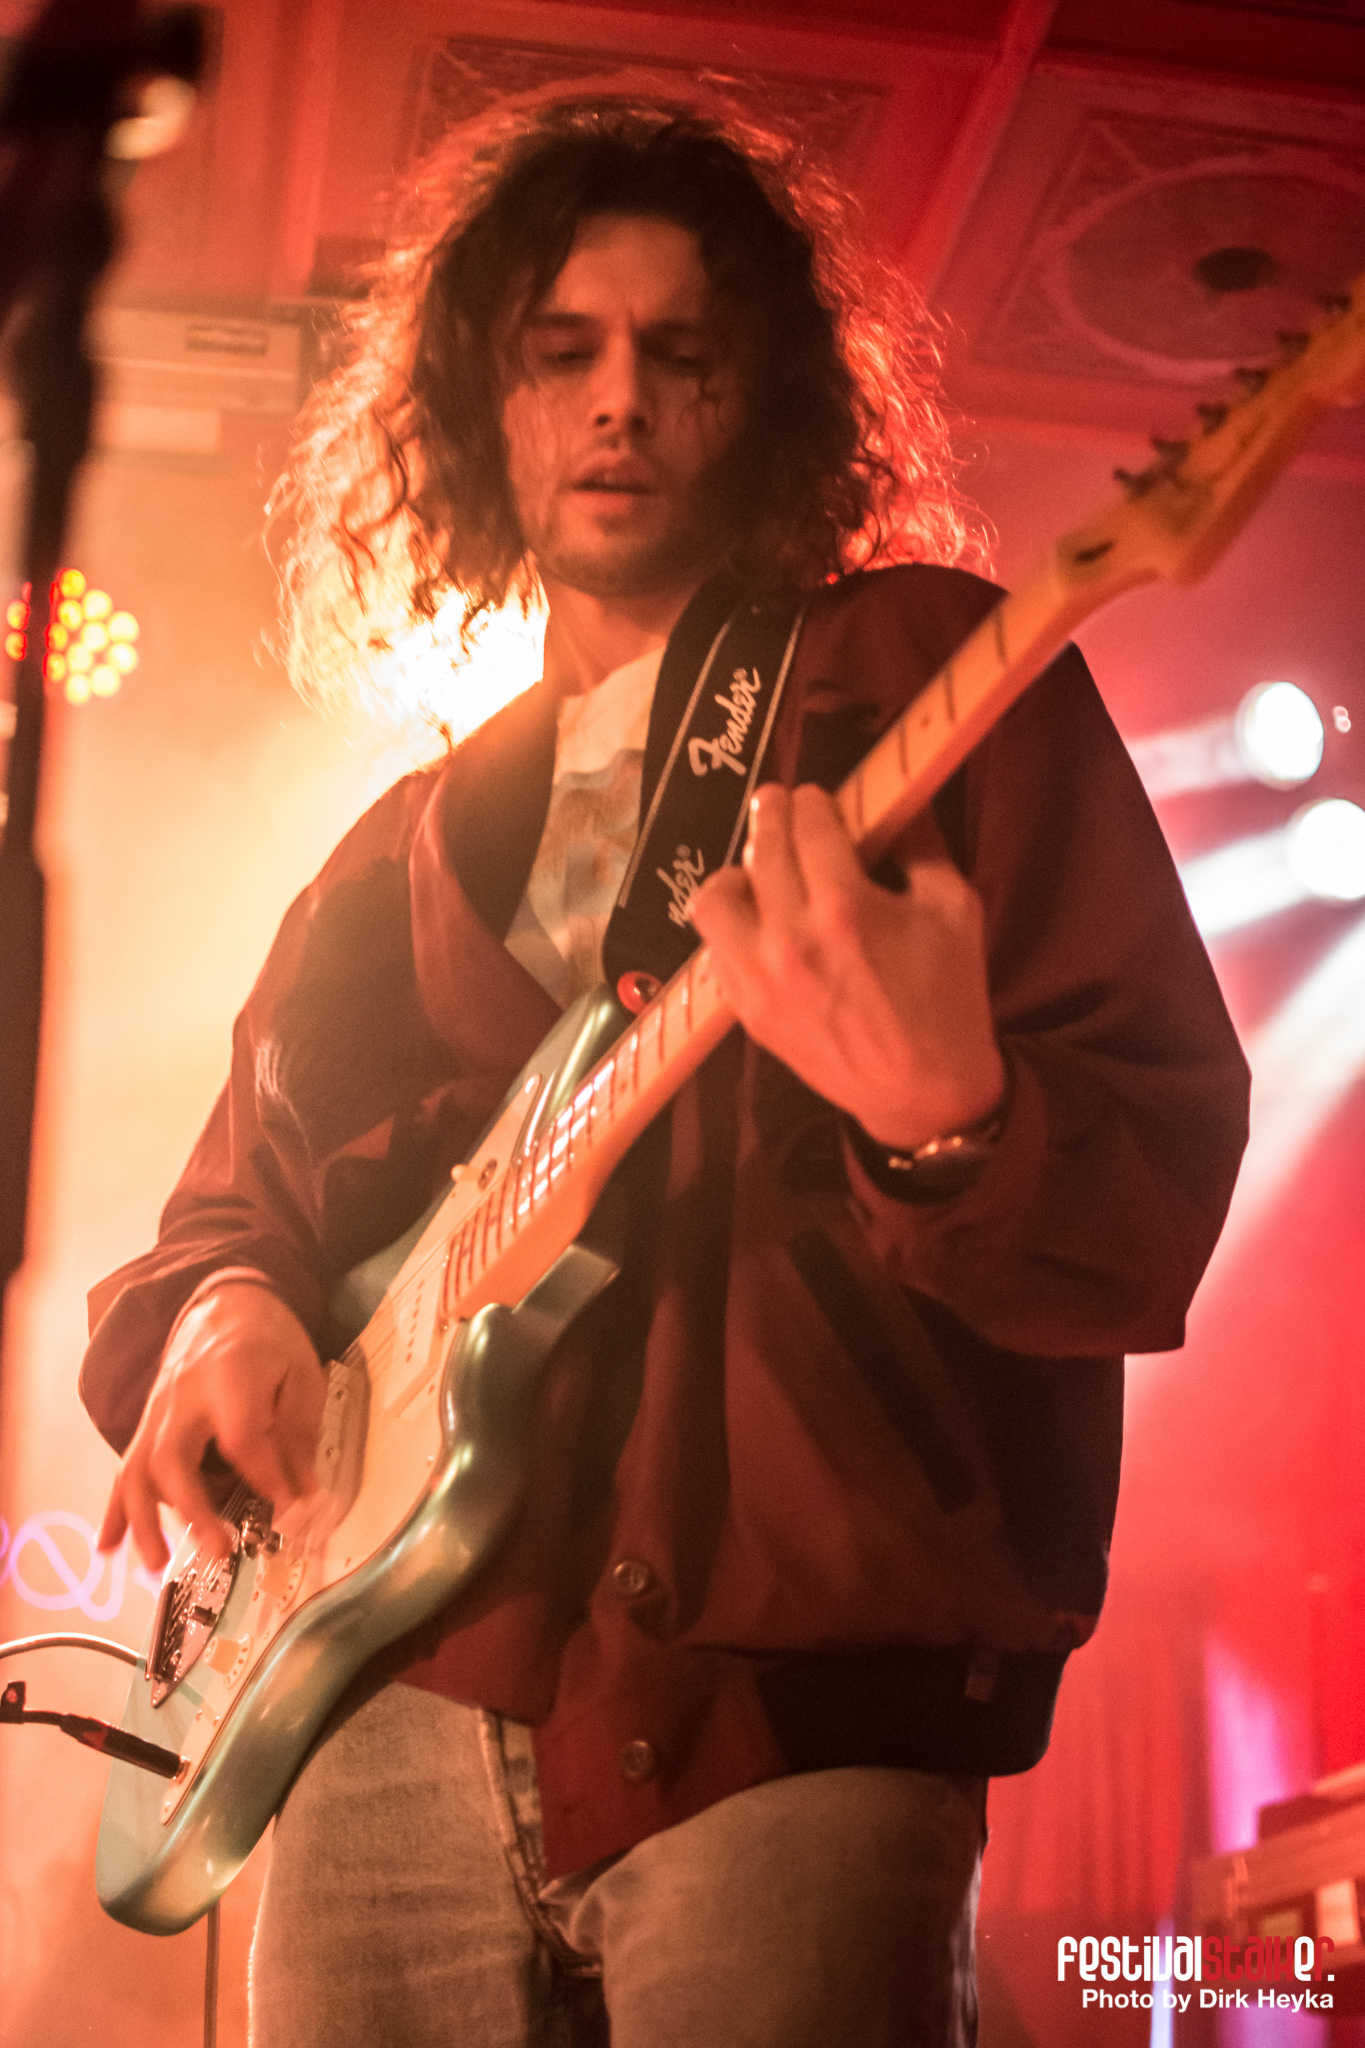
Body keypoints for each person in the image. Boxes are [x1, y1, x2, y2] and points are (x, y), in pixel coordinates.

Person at [80, 96, 1249, 2047]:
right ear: (485, 408)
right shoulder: (386, 856)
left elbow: (1146, 1189)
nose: (617, 398)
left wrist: (951, 1122)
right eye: (560, 352)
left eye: (678, 350)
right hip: (379, 1708)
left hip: (777, 1710)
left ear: (762, 392)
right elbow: (223, 1214)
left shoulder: (919, 676)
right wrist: (223, 1312)